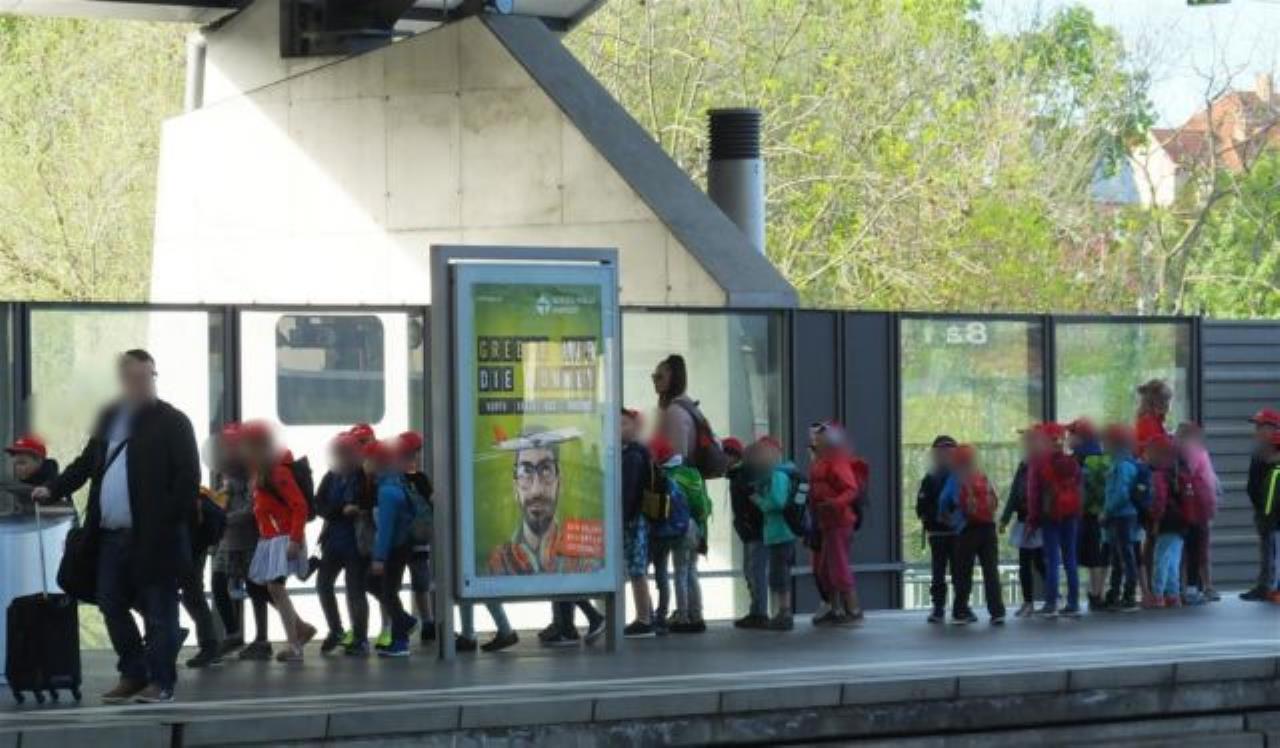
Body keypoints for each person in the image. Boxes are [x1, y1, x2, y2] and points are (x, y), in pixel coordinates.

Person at [33, 349, 199, 704]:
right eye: (136, 378)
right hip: (109, 535)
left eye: (149, 376)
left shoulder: (173, 422)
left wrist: (165, 523)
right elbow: (87, 462)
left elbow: (188, 480)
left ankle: (161, 681)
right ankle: (134, 672)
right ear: (122, 381)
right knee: (110, 602)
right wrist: (53, 488)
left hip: (155, 538)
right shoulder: (110, 416)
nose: (143, 384)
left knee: (159, 611)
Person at [243, 421, 316, 662]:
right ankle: (301, 629)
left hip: (283, 538)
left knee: (275, 587)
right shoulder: (261, 471)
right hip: (272, 538)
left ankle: (294, 645)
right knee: (270, 587)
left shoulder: (277, 472)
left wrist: (294, 539)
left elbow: (299, 506)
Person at [486, 428, 602, 575]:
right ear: (515, 487)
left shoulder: (582, 557)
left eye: (546, 470)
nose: (537, 490)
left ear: (560, 483)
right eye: (525, 471)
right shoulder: (498, 561)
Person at [313, 432, 370, 656]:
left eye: (345, 453)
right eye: (339, 453)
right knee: (323, 584)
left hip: (356, 542)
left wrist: (355, 509)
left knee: (355, 590)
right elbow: (318, 504)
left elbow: (369, 502)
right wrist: (340, 510)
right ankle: (336, 629)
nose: (342, 458)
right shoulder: (331, 477)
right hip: (333, 541)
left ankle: (360, 638)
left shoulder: (364, 476)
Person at [937, 444, 1005, 625]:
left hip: (967, 529)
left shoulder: (955, 478)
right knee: (991, 571)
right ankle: (997, 612)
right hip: (988, 528)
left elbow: (943, 500)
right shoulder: (982, 476)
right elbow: (995, 500)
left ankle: (960, 611)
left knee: (963, 572)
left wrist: (945, 518)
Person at [366, 439, 419, 657]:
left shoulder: (386, 491)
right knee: (385, 589)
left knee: (387, 591)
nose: (364, 464)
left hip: (396, 547)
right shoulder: (394, 482)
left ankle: (401, 639)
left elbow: (386, 528)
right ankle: (404, 625)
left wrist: (379, 557)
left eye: (367, 460)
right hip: (402, 545)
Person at [1026, 422, 1083, 618]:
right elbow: (1080, 488)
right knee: (1070, 559)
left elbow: (1034, 494)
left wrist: (1033, 520)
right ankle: (1073, 603)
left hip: (1050, 516)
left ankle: (1051, 604)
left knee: (1052, 560)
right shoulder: (1072, 462)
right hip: (1071, 515)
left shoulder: (1039, 464)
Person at [808, 421, 863, 626]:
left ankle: (852, 610)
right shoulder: (822, 461)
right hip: (827, 522)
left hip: (838, 522)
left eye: (821, 435)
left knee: (838, 566)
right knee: (825, 569)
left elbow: (851, 489)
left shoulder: (836, 461)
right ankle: (836, 609)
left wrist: (833, 504)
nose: (817, 439)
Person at [749, 436, 799, 630]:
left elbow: (778, 502)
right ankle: (782, 612)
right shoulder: (777, 474)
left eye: (762, 453)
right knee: (778, 573)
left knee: (779, 574)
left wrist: (759, 501)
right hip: (779, 533)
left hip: (781, 533)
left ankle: (784, 613)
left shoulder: (778, 475)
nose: (759, 458)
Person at [647, 435, 692, 635]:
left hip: (656, 533)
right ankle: (665, 616)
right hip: (674, 532)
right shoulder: (680, 475)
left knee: (645, 574)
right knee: (666, 574)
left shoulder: (655, 476)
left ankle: (650, 616)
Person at [999, 429, 1044, 618]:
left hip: (1040, 521)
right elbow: (1014, 493)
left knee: (1041, 562)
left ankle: (1053, 599)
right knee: (1025, 563)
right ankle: (1028, 602)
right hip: (1023, 519)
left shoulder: (1044, 465)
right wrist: (1005, 518)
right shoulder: (1023, 465)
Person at [398, 431, 436, 645]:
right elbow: (432, 502)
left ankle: (424, 623)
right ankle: (425, 623)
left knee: (419, 581)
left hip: (407, 538)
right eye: (412, 454)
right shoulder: (418, 479)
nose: (415, 458)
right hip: (415, 539)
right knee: (420, 581)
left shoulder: (404, 478)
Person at [620, 409, 656, 638]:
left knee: (636, 570)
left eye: (623, 424)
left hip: (634, 519)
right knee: (637, 569)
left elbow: (629, 493)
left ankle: (644, 619)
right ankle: (647, 615)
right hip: (636, 517)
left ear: (634, 427)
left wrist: (622, 518)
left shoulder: (633, 456)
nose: (617, 428)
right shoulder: (634, 453)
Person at [181, 485, 225, 668]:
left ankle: (209, 646)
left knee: (191, 596)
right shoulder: (198, 491)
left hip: (186, 545)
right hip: (195, 545)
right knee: (192, 596)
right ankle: (209, 646)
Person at [915, 435, 957, 623]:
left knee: (953, 572)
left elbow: (921, 507)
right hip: (945, 533)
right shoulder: (932, 478)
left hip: (949, 533)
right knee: (943, 572)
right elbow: (921, 507)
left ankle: (954, 607)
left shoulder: (933, 478)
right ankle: (945, 607)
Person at [1176, 422, 1219, 604]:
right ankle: (1198, 587)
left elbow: (1206, 479)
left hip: (1196, 507)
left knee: (1192, 550)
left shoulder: (1192, 453)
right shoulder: (1198, 453)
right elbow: (1211, 482)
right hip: (1198, 508)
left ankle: (1190, 588)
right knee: (1197, 549)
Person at [1100, 424, 1141, 613]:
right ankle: (1115, 593)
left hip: (1122, 516)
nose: (1102, 444)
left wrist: (1107, 511)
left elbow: (1121, 493)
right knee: (1118, 556)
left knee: (1125, 556)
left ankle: (1129, 594)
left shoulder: (1122, 465)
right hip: (1120, 515)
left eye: (1105, 440)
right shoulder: (1121, 463)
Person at [727, 437, 768, 629]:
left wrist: (748, 523)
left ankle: (759, 613)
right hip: (751, 530)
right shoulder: (740, 474)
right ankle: (756, 611)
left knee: (754, 571)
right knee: (751, 571)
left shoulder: (747, 474)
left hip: (754, 531)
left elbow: (754, 502)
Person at [1069, 419, 1109, 612]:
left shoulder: (1078, 460)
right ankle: (1097, 594)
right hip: (1098, 515)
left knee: (1077, 556)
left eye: (1071, 435)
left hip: (1082, 514)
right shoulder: (1100, 457)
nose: (1068, 438)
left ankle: (1076, 598)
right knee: (1095, 557)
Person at [1242, 408, 1280, 601]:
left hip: (1275, 512)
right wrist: (1260, 507)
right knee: (1266, 548)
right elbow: (1253, 484)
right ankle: (1265, 585)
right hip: (1263, 510)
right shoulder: (1257, 453)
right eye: (1256, 426)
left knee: (1275, 548)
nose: (1256, 431)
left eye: (1260, 426)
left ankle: (1274, 586)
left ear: (1273, 427)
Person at [1146, 434, 1188, 608]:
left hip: (1166, 521)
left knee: (1160, 558)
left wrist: (1155, 521)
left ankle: (1157, 595)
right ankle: (1173, 594)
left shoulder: (1158, 475)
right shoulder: (1178, 471)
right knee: (1173, 559)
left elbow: (1159, 501)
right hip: (1182, 520)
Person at [1257, 431, 1280, 604]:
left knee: (1278, 558)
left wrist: (1265, 522)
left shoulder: (1275, 474)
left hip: (1277, 524)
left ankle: (1277, 589)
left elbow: (1269, 504)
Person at [1135, 379, 1173, 449]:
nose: (1168, 404)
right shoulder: (1147, 422)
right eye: (1164, 400)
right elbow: (1157, 446)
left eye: (1168, 400)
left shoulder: (1157, 420)